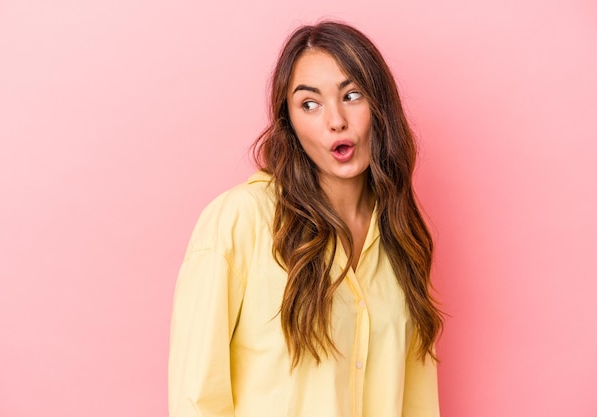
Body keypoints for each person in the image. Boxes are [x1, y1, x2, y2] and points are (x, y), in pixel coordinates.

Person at [168, 21, 443, 417]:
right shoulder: (240, 221)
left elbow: (418, 402)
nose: (335, 121)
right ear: (290, 123)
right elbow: (196, 399)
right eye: (309, 104)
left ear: (380, 107)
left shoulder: (403, 239)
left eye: (352, 95)